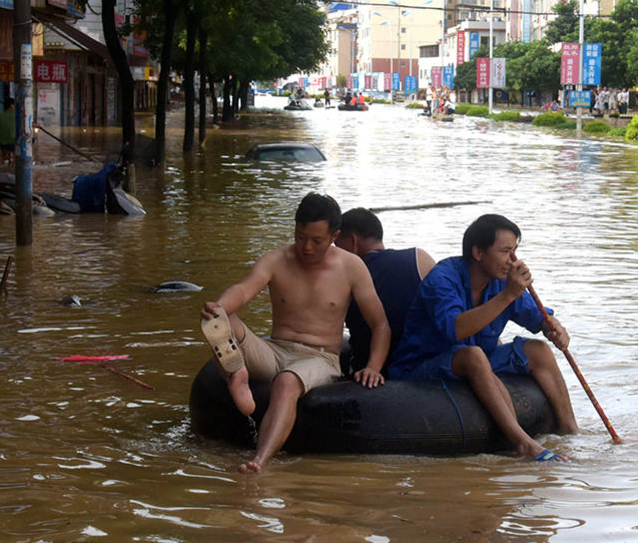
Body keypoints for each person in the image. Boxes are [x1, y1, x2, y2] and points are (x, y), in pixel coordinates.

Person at [201, 193, 390, 473]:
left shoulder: (352, 267)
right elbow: (243, 290)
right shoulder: (276, 259)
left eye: (317, 240)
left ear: (334, 236)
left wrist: (374, 367)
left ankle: (259, 461)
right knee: (220, 320)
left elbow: (380, 324)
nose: (307, 247)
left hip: (319, 356)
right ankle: (236, 372)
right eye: (301, 236)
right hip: (274, 350)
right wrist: (219, 306)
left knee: (287, 383)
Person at [388, 214, 579, 461]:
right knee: (473, 355)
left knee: (538, 350)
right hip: (424, 364)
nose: (512, 261)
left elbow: (537, 316)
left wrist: (555, 328)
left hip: (480, 358)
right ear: (478, 253)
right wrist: (508, 296)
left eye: (515, 252)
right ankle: (523, 445)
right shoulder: (443, 278)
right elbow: (455, 330)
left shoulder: (501, 282)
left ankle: (570, 430)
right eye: (505, 252)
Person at [335, 207, 435, 374]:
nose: (335, 254)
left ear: (353, 241)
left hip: (367, 368)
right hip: (418, 362)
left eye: (337, 246)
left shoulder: (344, 275)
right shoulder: (419, 258)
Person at [0, 97, 15, 166]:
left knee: (2, 153)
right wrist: (38, 126)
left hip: (2, 145)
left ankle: (1, 161)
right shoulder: (17, 116)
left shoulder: (0, 116)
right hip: (13, 144)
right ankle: (14, 162)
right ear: (11, 105)